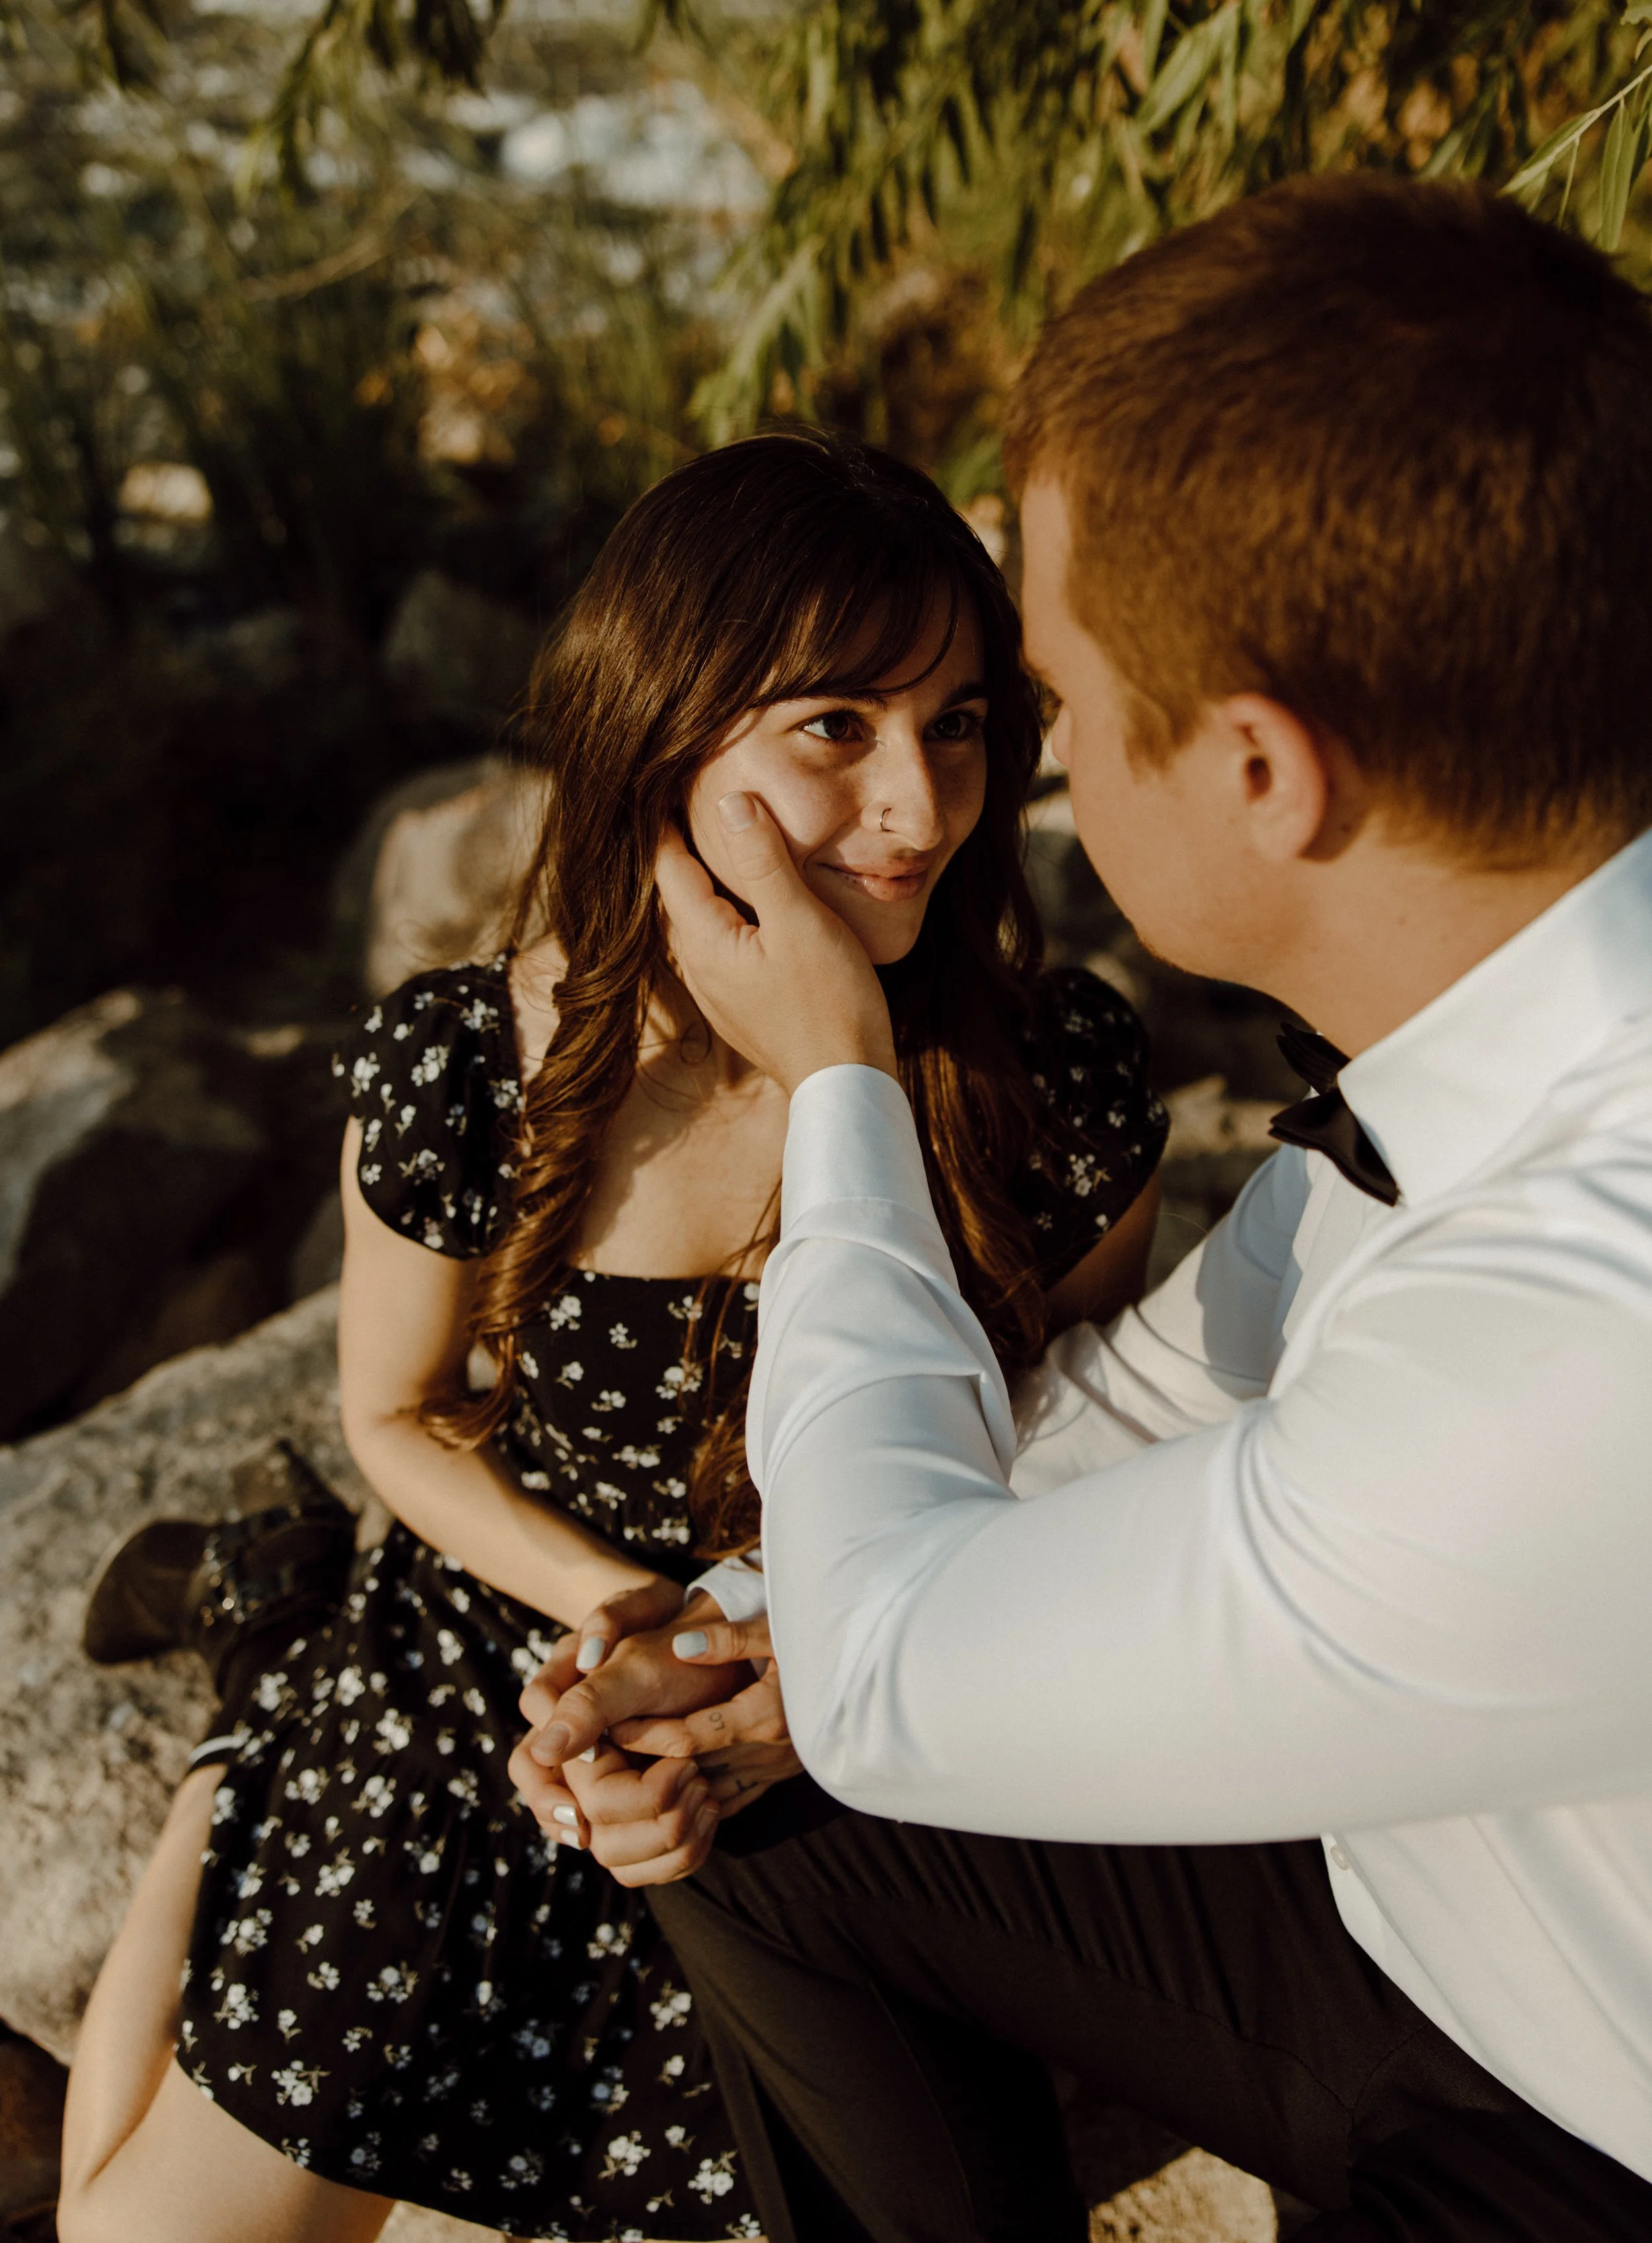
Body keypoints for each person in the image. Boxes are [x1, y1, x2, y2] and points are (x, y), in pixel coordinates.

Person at [526, 177, 1652, 2241]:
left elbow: (904, 1674)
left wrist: (842, 1086)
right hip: (1420, 1897)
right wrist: (718, 1647)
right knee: (779, 1838)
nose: (970, 801)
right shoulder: (1501, 1061)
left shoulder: (1590, 1328)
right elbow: (1140, 1399)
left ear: (1255, 772)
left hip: (1582, 2120)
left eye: (1022, 708)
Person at [56, 432, 1168, 2243]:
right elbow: (401, 1415)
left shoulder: (1055, 1079)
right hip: (521, 1650)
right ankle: (244, 1732)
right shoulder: (469, 1067)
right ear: (665, 733)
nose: (916, 804)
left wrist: (767, 1659)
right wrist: (620, 1622)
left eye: (957, 723)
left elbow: (1093, 1421)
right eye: (833, 726)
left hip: (834, 1700)